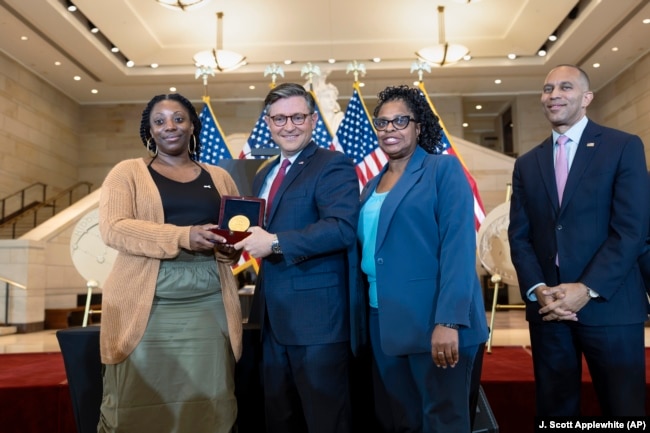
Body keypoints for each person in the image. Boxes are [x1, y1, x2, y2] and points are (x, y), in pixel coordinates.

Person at [508, 64, 649, 417]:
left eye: (565, 87)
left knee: (624, 413)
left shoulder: (623, 146)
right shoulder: (527, 163)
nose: (554, 95)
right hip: (549, 309)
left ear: (586, 98)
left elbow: (632, 230)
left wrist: (585, 288)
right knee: (555, 415)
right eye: (548, 88)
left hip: (610, 306)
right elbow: (519, 236)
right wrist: (539, 288)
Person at [97, 93, 243, 433]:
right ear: (149, 131)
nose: (170, 127)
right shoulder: (127, 172)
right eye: (159, 121)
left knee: (212, 395)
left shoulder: (220, 176)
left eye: (178, 118)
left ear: (192, 124)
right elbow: (113, 228)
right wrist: (183, 236)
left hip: (209, 299)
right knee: (138, 399)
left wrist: (228, 248)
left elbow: (231, 235)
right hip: (146, 301)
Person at [356, 84, 489, 433]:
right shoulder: (371, 185)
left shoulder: (442, 170)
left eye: (400, 121)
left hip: (434, 319)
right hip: (382, 320)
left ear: (418, 126)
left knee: (443, 422)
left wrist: (449, 321)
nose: (389, 130)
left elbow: (458, 249)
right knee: (402, 421)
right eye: (382, 123)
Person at [233, 82, 363, 433]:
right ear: (268, 122)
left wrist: (275, 243)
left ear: (313, 120)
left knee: (326, 421)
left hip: (318, 321)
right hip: (272, 320)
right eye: (279, 118)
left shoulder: (333, 164)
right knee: (280, 419)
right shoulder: (265, 172)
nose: (288, 126)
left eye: (297, 117)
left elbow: (341, 228)